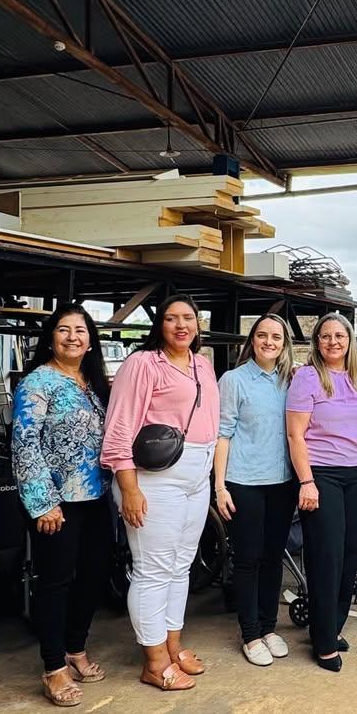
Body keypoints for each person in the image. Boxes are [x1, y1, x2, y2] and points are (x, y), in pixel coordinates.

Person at [102, 295, 220, 691]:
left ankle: (172, 647)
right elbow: (119, 427)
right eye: (171, 319)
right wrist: (129, 488)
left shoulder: (202, 365)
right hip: (156, 479)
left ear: (198, 324)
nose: (181, 325)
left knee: (181, 566)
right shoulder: (142, 364)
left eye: (188, 318)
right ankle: (153, 662)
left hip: (195, 478)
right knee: (152, 570)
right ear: (160, 325)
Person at [11, 303, 111, 707]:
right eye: (64, 330)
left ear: (91, 341)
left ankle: (76, 648)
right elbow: (23, 442)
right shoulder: (37, 382)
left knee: (93, 576)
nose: (73, 337)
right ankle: (53, 667)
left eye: (81, 331)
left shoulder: (94, 382)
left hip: (97, 497)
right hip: (57, 503)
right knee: (55, 582)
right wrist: (42, 504)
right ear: (51, 337)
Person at [286, 314, 357, 673]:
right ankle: (322, 644)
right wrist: (307, 482)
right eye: (325, 336)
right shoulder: (306, 378)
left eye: (340, 335)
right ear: (317, 342)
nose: (333, 342)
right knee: (326, 558)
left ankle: (331, 627)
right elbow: (295, 435)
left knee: (350, 556)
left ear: (349, 340)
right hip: (322, 476)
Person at [214, 313, 297, 667]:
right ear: (252, 341)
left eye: (276, 337)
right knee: (247, 560)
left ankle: (267, 626)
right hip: (244, 482)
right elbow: (223, 433)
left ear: (284, 344)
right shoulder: (234, 380)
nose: (269, 342)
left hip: (282, 482)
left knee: (272, 556)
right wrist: (219, 486)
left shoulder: (291, 381)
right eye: (262, 336)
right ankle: (250, 633)